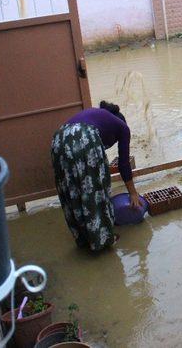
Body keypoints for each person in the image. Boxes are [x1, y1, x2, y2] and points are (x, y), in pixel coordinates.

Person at [50, 101, 141, 252]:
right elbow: (124, 164)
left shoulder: (95, 115)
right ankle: (102, 239)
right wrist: (133, 193)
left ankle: (83, 238)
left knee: (71, 189)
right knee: (96, 186)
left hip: (58, 140)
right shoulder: (122, 127)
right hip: (85, 138)